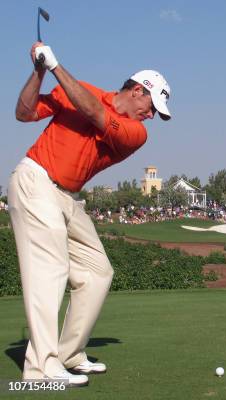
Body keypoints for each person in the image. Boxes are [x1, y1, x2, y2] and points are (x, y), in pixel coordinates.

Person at [8, 42, 171, 387]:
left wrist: (55, 65)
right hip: (36, 180)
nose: (152, 114)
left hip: (66, 197)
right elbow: (23, 113)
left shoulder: (135, 133)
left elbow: (96, 113)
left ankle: (68, 353)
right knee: (50, 269)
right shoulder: (77, 91)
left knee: (98, 272)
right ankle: (41, 368)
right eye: (152, 105)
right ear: (137, 90)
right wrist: (39, 71)